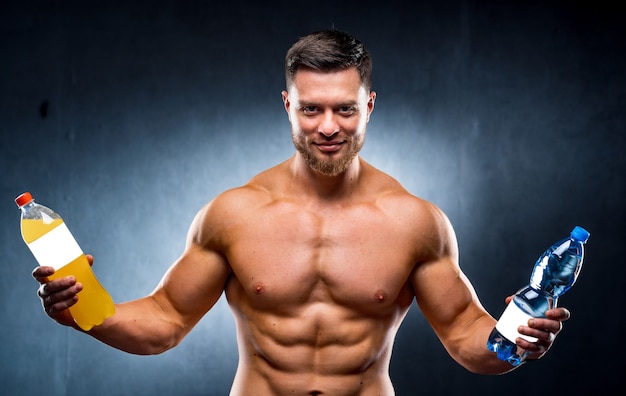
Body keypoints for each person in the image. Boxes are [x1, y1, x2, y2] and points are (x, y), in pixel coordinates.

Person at [32, 30, 570, 395]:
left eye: (345, 109)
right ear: (288, 105)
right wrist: (81, 312)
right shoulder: (234, 213)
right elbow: (165, 323)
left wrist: (515, 344)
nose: (329, 127)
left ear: (370, 106)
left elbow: (464, 338)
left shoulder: (415, 221)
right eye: (311, 108)